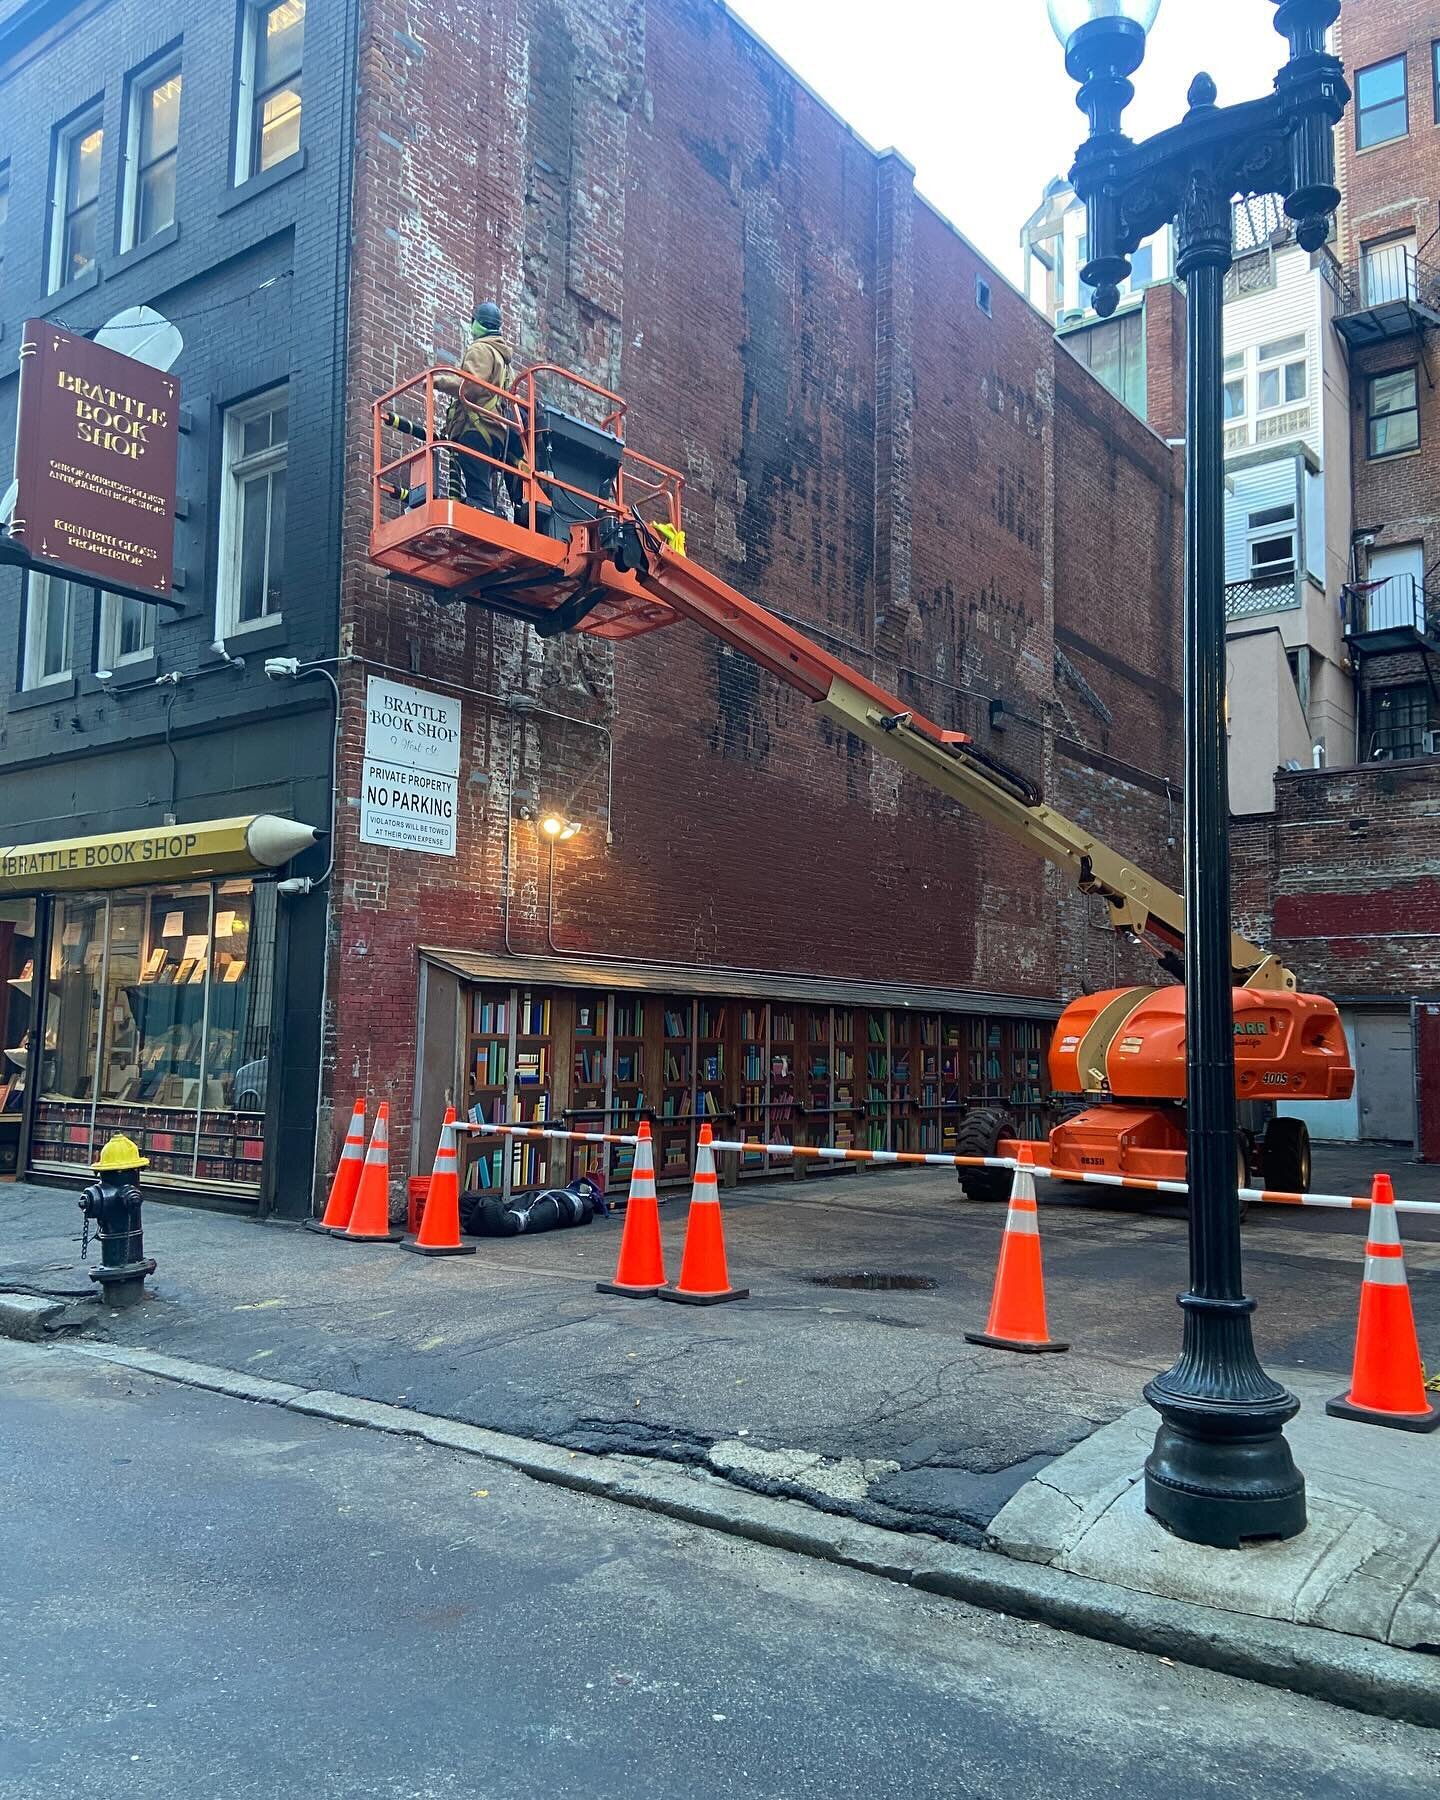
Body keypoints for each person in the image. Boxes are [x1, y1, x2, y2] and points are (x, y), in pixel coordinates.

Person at [435, 301, 519, 514]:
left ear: (476, 324)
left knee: (478, 489)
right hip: (497, 432)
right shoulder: (504, 361)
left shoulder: (481, 349)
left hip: (478, 427)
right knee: (480, 481)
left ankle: (484, 509)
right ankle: (486, 507)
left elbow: (471, 386)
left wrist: (438, 382)